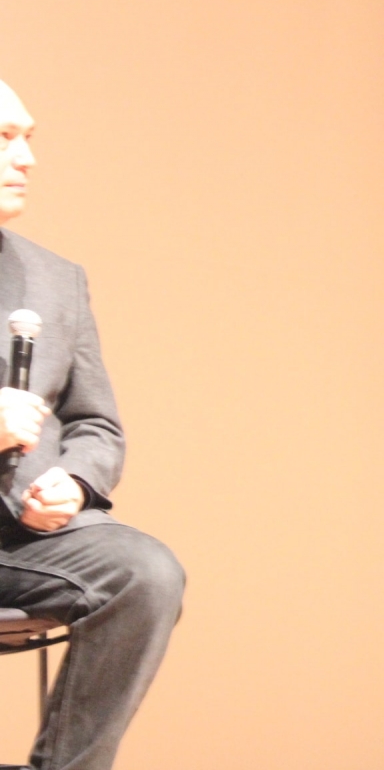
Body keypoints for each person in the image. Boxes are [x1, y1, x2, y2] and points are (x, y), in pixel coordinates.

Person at [0, 79, 184, 770]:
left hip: (25, 539)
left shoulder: (55, 279)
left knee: (146, 572)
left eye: (28, 138)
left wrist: (74, 482)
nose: (27, 158)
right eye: (4, 139)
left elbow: (96, 424)